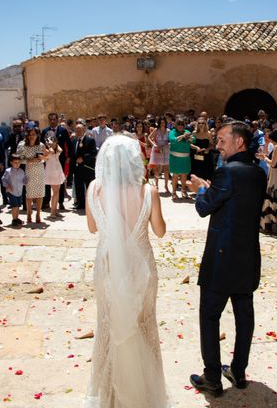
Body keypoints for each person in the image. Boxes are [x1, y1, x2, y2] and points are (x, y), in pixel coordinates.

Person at [84, 135, 168, 408]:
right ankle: (145, 395)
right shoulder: (149, 191)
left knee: (109, 325)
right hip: (141, 266)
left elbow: (93, 228)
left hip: (108, 264)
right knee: (142, 324)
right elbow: (160, 231)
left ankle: (110, 396)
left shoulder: (94, 189)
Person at [187, 121, 267, 396]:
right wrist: (213, 188)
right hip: (247, 258)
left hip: (221, 260)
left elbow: (203, 207)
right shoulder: (258, 174)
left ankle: (212, 377)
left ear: (239, 143)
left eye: (222, 140)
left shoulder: (226, 172)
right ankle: (238, 370)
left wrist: (200, 188)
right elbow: (234, 201)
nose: (217, 145)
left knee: (210, 317)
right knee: (244, 317)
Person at [257, 129, 277, 234]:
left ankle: (273, 222)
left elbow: (273, 163)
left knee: (274, 195)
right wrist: (265, 155)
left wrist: (264, 158)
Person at [16, 126, 47, 224]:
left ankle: (38, 214)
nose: (31, 136)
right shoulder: (22, 145)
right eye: (29, 134)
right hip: (29, 170)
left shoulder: (41, 145)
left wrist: (43, 158)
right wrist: (29, 160)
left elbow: (46, 158)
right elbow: (18, 159)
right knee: (29, 194)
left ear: (37, 135)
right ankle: (29, 213)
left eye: (33, 134)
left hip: (40, 170)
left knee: (40, 193)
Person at [42, 112, 70, 211]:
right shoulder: (45, 131)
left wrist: (68, 156)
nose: (52, 121)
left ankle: (60, 202)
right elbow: (42, 145)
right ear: (48, 120)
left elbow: (68, 144)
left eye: (54, 119)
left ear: (57, 120)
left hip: (60, 160)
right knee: (47, 182)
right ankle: (46, 202)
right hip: (48, 160)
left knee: (59, 182)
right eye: (50, 119)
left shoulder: (63, 130)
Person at [71, 123, 97, 210]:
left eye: (79, 130)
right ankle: (81, 204)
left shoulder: (90, 140)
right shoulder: (74, 140)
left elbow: (93, 153)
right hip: (77, 169)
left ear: (84, 130)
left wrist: (83, 158)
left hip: (87, 168)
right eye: (76, 130)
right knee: (78, 187)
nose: (78, 132)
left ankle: (91, 205)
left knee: (89, 187)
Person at [168, 118, 194, 200]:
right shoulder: (172, 132)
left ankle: (183, 190)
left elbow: (193, 140)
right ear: (175, 125)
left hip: (185, 158)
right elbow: (172, 140)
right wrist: (182, 136)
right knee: (175, 176)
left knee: (184, 175)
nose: (180, 126)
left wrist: (188, 137)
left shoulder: (187, 132)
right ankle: (174, 192)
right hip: (175, 158)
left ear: (184, 125)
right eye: (178, 124)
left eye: (182, 124)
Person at [44, 135, 66, 219]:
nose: (52, 143)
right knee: (55, 192)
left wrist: (53, 144)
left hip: (58, 170)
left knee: (57, 192)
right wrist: (49, 145)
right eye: (51, 141)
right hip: (51, 171)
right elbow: (47, 155)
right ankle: (52, 212)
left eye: (54, 141)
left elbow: (61, 149)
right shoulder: (48, 150)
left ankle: (55, 211)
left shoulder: (57, 148)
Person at [1, 154, 26, 226]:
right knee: (14, 206)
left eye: (19, 162)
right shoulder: (8, 171)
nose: (17, 164)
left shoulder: (21, 171)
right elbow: (3, 179)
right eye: (15, 162)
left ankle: (16, 218)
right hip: (11, 192)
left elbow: (24, 179)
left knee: (18, 206)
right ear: (11, 162)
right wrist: (7, 186)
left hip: (19, 191)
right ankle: (14, 219)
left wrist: (25, 181)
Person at [148, 117, 170, 193]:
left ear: (165, 123)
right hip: (157, 150)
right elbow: (149, 137)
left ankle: (166, 186)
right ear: (159, 123)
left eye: (164, 122)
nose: (162, 123)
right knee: (156, 169)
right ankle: (156, 185)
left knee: (166, 169)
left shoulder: (168, 131)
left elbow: (171, 140)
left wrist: (168, 144)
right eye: (161, 122)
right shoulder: (156, 130)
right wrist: (154, 145)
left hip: (166, 150)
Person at [191, 116, 213, 181]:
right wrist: (196, 147)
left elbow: (212, 145)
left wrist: (207, 149)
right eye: (199, 123)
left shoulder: (208, 133)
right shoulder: (194, 133)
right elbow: (190, 144)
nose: (201, 124)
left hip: (206, 155)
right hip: (196, 155)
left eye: (202, 123)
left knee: (205, 172)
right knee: (196, 170)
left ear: (205, 124)